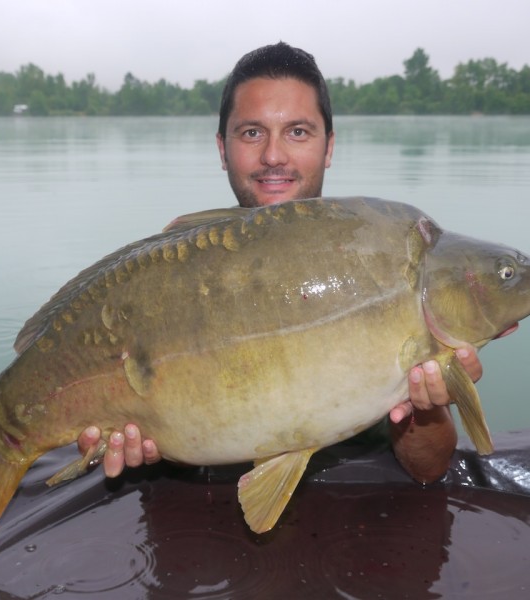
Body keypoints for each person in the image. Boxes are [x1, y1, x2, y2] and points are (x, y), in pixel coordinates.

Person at [77, 42, 483, 484]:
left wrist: (425, 409)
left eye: (298, 132)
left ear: (328, 146)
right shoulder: (172, 282)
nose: (273, 155)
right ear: (222, 148)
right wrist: (152, 446)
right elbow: (178, 431)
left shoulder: (381, 266)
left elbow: (428, 467)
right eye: (252, 132)